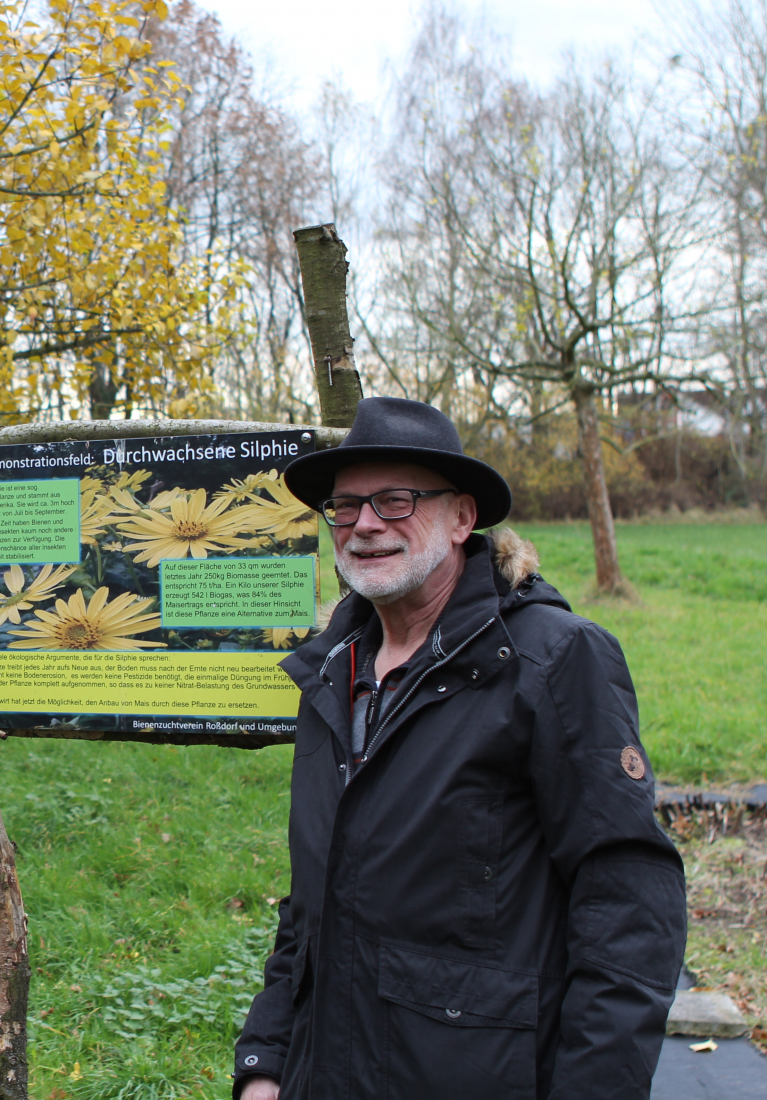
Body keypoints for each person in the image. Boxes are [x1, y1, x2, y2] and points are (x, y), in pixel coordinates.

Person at [233, 397, 685, 1100]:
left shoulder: (551, 661)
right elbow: (312, 905)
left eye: (395, 500)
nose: (365, 525)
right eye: (345, 508)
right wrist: (267, 1061)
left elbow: (630, 905)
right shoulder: (333, 674)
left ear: (462, 518)